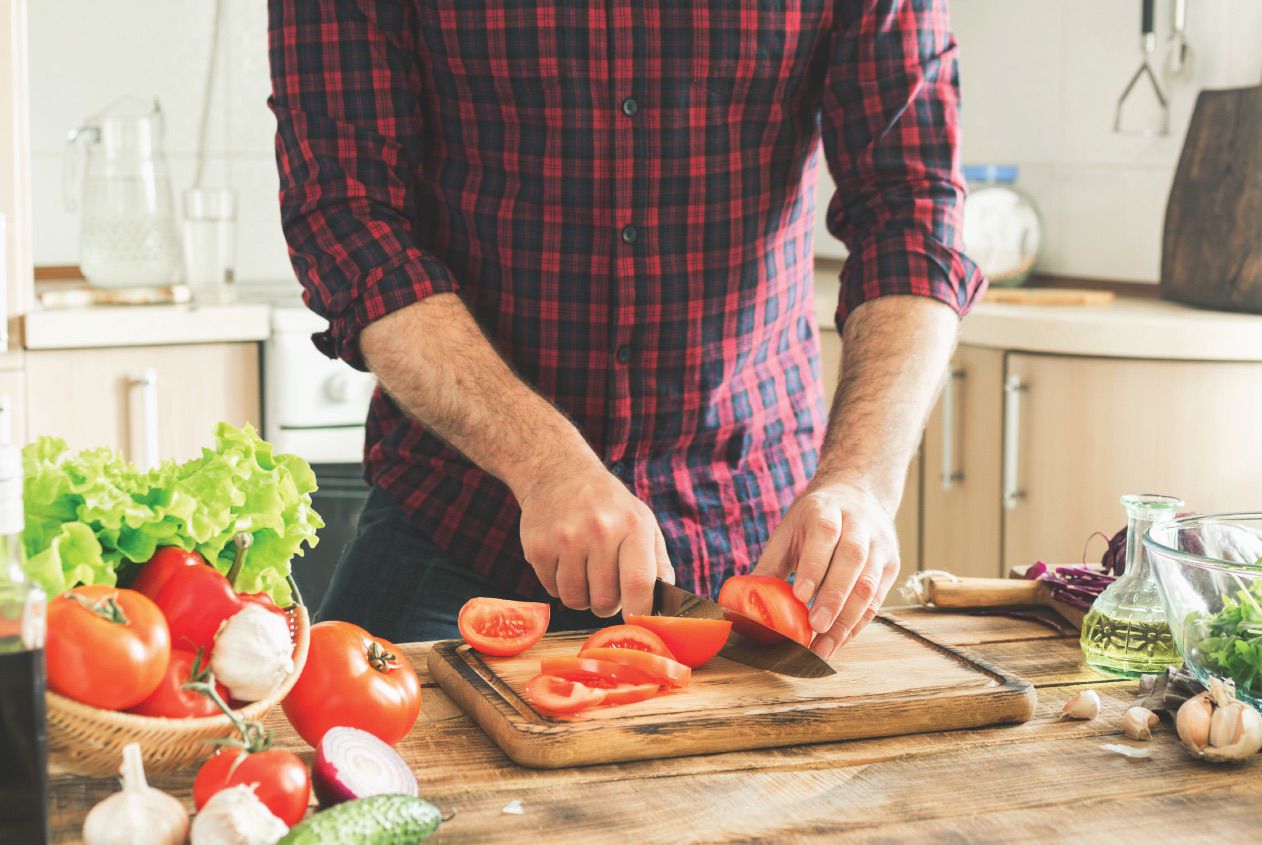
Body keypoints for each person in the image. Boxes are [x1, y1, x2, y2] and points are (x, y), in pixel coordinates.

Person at [268, 0, 984, 656]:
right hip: (462, 518)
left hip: (756, 537)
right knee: (344, 777)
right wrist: (543, 462)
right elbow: (348, 216)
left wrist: (861, 481)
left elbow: (911, 211)